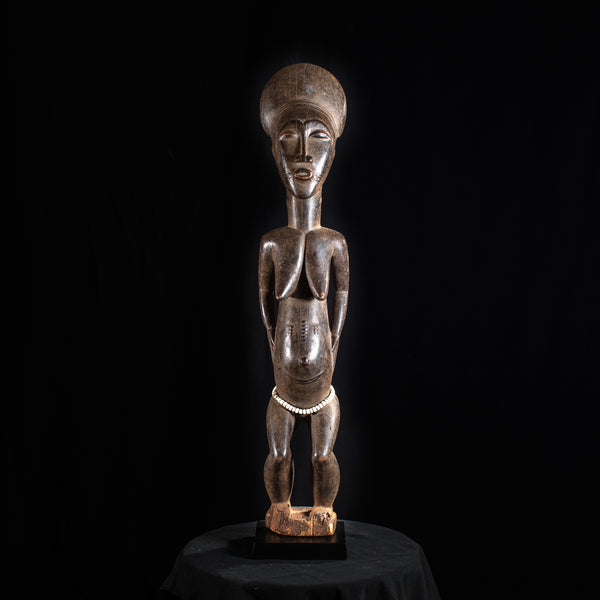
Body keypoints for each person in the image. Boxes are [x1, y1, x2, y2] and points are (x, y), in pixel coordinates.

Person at [258, 63, 349, 536]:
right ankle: (280, 507)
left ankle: (323, 509)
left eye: (318, 137)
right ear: (276, 151)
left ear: (331, 153)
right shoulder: (273, 242)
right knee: (278, 454)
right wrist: (274, 340)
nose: (303, 152)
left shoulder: (333, 242)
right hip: (282, 386)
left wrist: (333, 342)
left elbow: (342, 297)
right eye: (289, 138)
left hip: (322, 388)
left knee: (321, 455)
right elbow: (264, 303)